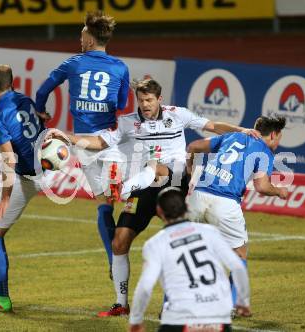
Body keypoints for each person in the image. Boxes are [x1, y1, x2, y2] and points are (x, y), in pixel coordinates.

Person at [61, 78, 258, 316]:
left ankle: (180, 302)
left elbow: (213, 126)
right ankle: (121, 304)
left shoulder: (178, 115)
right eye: (141, 100)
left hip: (175, 185)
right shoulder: (128, 123)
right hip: (146, 188)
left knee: (179, 242)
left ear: (159, 99)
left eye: (149, 100)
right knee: (119, 242)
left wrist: (243, 131)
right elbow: (99, 142)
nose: (144, 105)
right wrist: (68, 137)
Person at [35, 11, 130, 272]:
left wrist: (42, 111)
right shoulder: (120, 67)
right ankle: (119, 255)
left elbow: (42, 90)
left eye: (82, 33)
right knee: (122, 199)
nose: (80, 37)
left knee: (104, 205)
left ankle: (114, 260)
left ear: (89, 39)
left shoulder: (73, 63)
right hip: (109, 143)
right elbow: (121, 104)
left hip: (84, 146)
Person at [186, 116, 288, 306]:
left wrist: (189, 172)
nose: (279, 140)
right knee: (239, 255)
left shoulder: (232, 136)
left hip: (197, 198)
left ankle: (172, 304)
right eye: (280, 135)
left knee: (186, 252)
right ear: (273, 134)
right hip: (225, 203)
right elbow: (262, 186)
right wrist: (279, 191)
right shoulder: (264, 151)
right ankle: (231, 306)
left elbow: (193, 146)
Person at [0, 65, 47, 313]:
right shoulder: (23, 98)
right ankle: (1, 297)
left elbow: (9, 159)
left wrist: (6, 196)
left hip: (26, 177)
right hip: (43, 167)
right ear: (12, 83)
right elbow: (35, 121)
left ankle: (2, 299)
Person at [128, 187, 251, 332]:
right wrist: (242, 301)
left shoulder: (155, 243)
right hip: (218, 318)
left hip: (180, 319)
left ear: (159, 211)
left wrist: (136, 319)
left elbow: (145, 286)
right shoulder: (210, 232)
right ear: (187, 207)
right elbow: (238, 266)